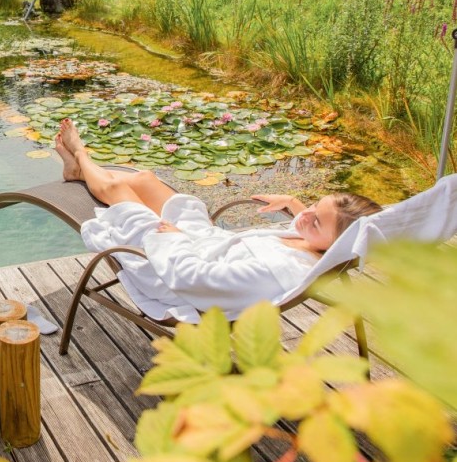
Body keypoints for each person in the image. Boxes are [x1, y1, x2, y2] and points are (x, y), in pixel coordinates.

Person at [54, 119, 381, 321]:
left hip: (169, 268)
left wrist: (175, 239)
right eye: (313, 206)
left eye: (315, 222)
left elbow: (194, 278)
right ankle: (78, 170)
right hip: (200, 243)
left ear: (337, 247)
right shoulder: (317, 245)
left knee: (118, 188)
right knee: (144, 179)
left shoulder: (273, 271)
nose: (305, 216)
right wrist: (296, 205)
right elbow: (317, 222)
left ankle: (80, 155)